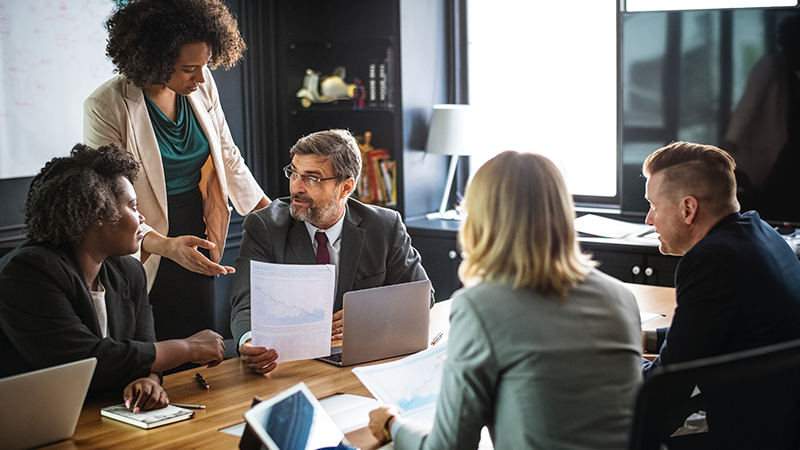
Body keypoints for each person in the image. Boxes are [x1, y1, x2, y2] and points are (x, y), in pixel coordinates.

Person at [367, 151, 643, 449]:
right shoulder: (621, 296)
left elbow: (448, 447)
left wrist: (393, 425)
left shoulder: (480, 306)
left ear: (480, 221)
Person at [83, 0, 270, 343]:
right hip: (139, 233)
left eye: (205, 65)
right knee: (153, 339)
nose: (201, 77)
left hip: (195, 223)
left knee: (199, 334)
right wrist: (165, 246)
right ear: (154, 59)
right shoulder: (105, 106)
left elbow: (228, 156)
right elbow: (108, 199)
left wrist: (272, 215)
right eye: (189, 69)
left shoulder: (202, 83)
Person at [0, 144, 225, 412]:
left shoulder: (129, 271)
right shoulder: (28, 272)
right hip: (34, 419)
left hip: (103, 414)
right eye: (133, 206)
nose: (142, 218)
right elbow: (87, 361)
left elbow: (143, 349)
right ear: (97, 214)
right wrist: (187, 348)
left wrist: (147, 380)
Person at [229, 129, 433, 375]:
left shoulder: (384, 226)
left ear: (346, 188)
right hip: (291, 366)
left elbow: (421, 296)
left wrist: (365, 317)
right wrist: (249, 341)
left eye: (312, 178)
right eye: (293, 173)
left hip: (360, 363)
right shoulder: (265, 226)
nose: (297, 187)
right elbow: (245, 302)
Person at [641, 141, 800, 447]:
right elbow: (715, 330)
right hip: (779, 414)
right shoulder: (760, 232)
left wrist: (615, 363)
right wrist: (646, 338)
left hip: (741, 428)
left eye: (654, 206)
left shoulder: (711, 260)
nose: (649, 219)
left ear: (688, 208)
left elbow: (668, 383)